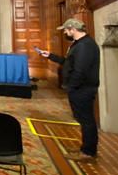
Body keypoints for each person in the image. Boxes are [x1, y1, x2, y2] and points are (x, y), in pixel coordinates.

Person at [39, 18, 100, 162]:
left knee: (86, 120)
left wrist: (70, 87)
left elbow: (80, 71)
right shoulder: (79, 44)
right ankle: (86, 148)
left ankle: (88, 152)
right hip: (79, 88)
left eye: (66, 30)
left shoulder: (85, 46)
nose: (65, 32)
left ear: (73, 29)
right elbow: (69, 63)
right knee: (83, 119)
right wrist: (51, 56)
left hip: (82, 89)